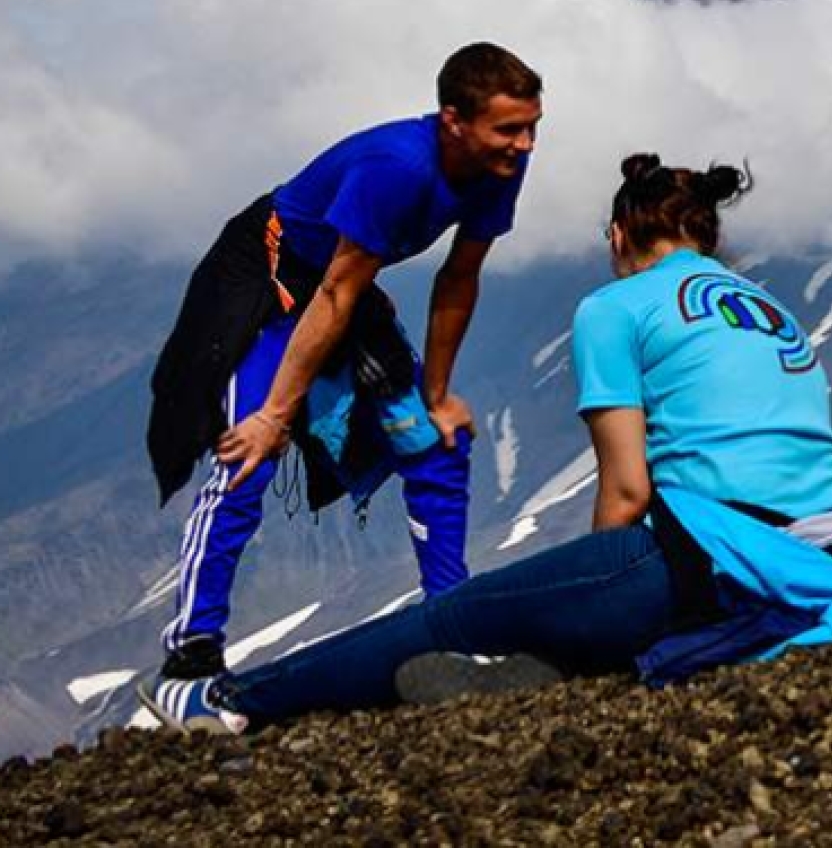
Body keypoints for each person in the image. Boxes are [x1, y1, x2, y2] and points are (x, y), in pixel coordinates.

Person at [137, 155, 832, 734]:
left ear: (619, 236)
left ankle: (228, 700)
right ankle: (541, 663)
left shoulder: (616, 306)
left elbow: (626, 491)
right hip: (829, 559)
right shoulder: (771, 306)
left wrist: (599, 588)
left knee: (450, 617)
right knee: (543, 622)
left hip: (709, 563)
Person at [145, 42, 543, 685]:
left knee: (435, 443)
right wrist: (274, 416)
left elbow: (459, 277)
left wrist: (438, 393)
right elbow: (334, 293)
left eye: (531, 127)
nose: (524, 144)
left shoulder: (499, 164)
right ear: (454, 121)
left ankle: (449, 616)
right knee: (246, 452)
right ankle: (191, 652)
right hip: (269, 273)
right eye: (508, 129)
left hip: (338, 282)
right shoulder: (400, 167)